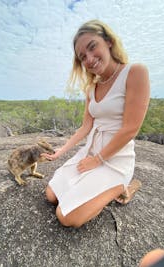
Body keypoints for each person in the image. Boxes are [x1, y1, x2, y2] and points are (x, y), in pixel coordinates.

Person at [42, 19, 150, 228]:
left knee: (67, 217)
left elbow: (131, 128)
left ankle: (121, 186)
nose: (89, 59)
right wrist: (61, 151)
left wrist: (98, 160)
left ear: (108, 41)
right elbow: (85, 126)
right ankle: (96, 187)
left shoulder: (135, 72)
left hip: (114, 159)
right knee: (51, 195)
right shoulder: (91, 88)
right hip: (90, 153)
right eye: (83, 57)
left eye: (92, 47)